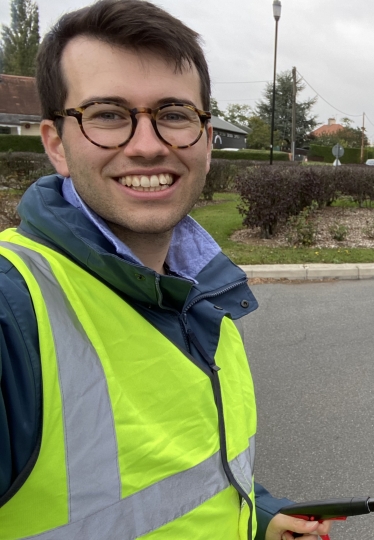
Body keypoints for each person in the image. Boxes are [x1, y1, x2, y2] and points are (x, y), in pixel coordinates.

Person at [0, 2, 331, 539]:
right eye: (108, 114)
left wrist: (260, 516)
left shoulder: (203, 292)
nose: (149, 145)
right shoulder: (12, 309)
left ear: (205, 136)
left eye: (174, 114)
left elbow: (186, 479)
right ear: (56, 144)